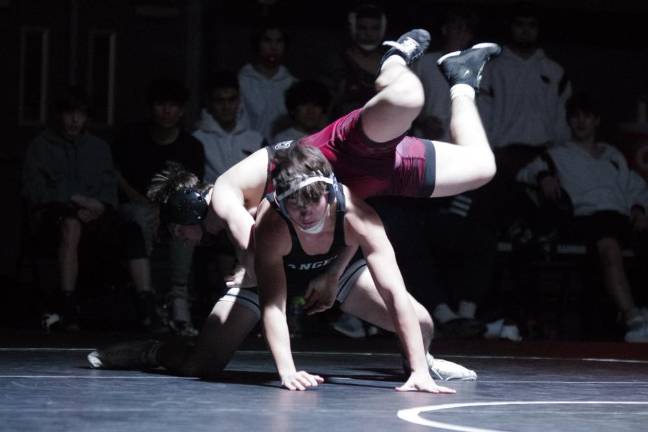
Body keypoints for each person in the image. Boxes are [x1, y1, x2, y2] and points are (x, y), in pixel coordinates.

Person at [87, 147, 477, 389]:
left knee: (421, 322)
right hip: (277, 266)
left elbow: (377, 269)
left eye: (178, 230)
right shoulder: (267, 217)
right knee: (200, 365)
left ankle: (417, 362)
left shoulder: (231, 199)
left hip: (317, 259)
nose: (181, 239)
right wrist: (287, 369)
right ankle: (154, 352)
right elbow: (269, 290)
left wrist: (332, 274)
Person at [517, 93, 648, 342]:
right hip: (585, 219)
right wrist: (544, 176)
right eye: (575, 116)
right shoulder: (559, 154)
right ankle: (633, 319)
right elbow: (527, 172)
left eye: (586, 116)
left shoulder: (613, 155)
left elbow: (635, 187)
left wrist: (640, 209)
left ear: (596, 120)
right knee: (609, 246)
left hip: (619, 217)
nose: (580, 121)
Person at [22, 87, 128, 331]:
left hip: (95, 217)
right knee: (70, 225)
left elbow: (108, 185)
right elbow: (34, 190)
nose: (74, 120)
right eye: (69, 113)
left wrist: (99, 205)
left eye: (79, 114)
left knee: (129, 230)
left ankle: (147, 305)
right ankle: (67, 303)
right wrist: (74, 200)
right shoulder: (41, 146)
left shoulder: (98, 148)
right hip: (53, 217)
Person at [112, 78, 205, 335]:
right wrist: (142, 201)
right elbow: (116, 174)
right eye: (161, 104)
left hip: (173, 209)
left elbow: (190, 188)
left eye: (173, 105)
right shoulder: (131, 138)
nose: (167, 111)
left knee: (186, 224)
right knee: (138, 219)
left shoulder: (191, 147)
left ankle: (179, 300)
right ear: (151, 107)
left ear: (182, 110)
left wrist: (167, 210)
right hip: (135, 206)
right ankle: (148, 303)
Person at [238, 23, 297, 142]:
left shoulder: (292, 84)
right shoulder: (243, 81)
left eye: (279, 41)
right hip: (249, 150)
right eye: (267, 41)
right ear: (258, 44)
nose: (273, 47)